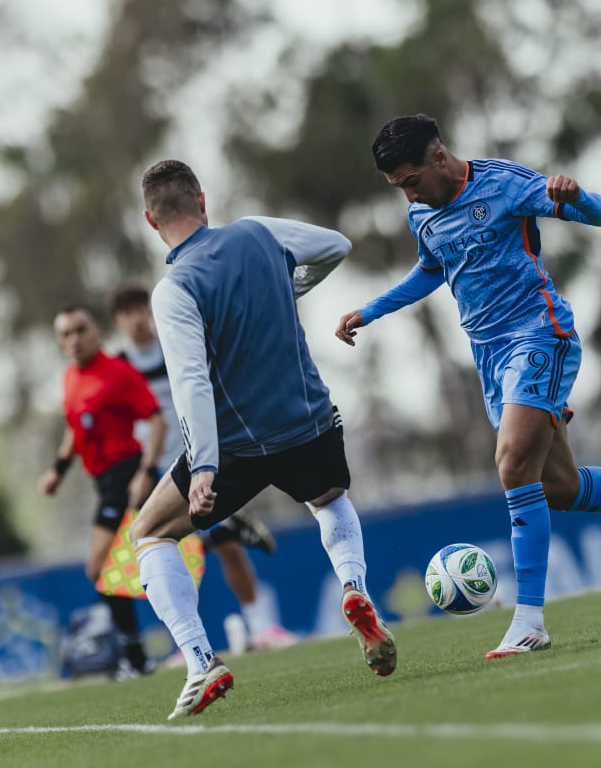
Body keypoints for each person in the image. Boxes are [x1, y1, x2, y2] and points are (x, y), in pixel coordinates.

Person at [336, 114, 601, 660]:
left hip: (539, 334)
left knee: (511, 465)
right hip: (488, 357)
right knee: (560, 488)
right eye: (399, 188)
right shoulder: (422, 214)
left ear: (438, 158)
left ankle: (529, 620)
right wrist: (371, 309)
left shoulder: (504, 185)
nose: (408, 194)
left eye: (411, 181)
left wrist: (578, 195)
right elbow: (432, 269)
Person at [128, 159, 395, 721]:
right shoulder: (258, 233)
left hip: (237, 447)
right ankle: (354, 589)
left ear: (152, 223)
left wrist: (202, 468)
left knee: (149, 533)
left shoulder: (174, 288)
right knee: (329, 501)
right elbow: (335, 245)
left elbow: (191, 381)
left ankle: (201, 662)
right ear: (202, 199)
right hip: (311, 420)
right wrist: (289, 284)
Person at [109, 284, 297, 650]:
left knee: (226, 545)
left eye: (138, 309)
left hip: (198, 461)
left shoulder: (173, 347)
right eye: (125, 313)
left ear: (148, 312)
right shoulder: (120, 367)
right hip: (154, 473)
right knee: (167, 556)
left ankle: (261, 628)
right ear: (118, 321)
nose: (135, 319)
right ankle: (189, 646)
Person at [37, 303, 167, 677]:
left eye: (80, 330)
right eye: (66, 334)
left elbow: (156, 420)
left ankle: (133, 656)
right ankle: (135, 657)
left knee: (100, 566)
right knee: (144, 558)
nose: (74, 339)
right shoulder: (70, 379)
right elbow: (76, 429)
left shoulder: (118, 373)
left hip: (127, 476)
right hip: (103, 482)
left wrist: (147, 471)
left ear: (96, 332)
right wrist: (58, 471)